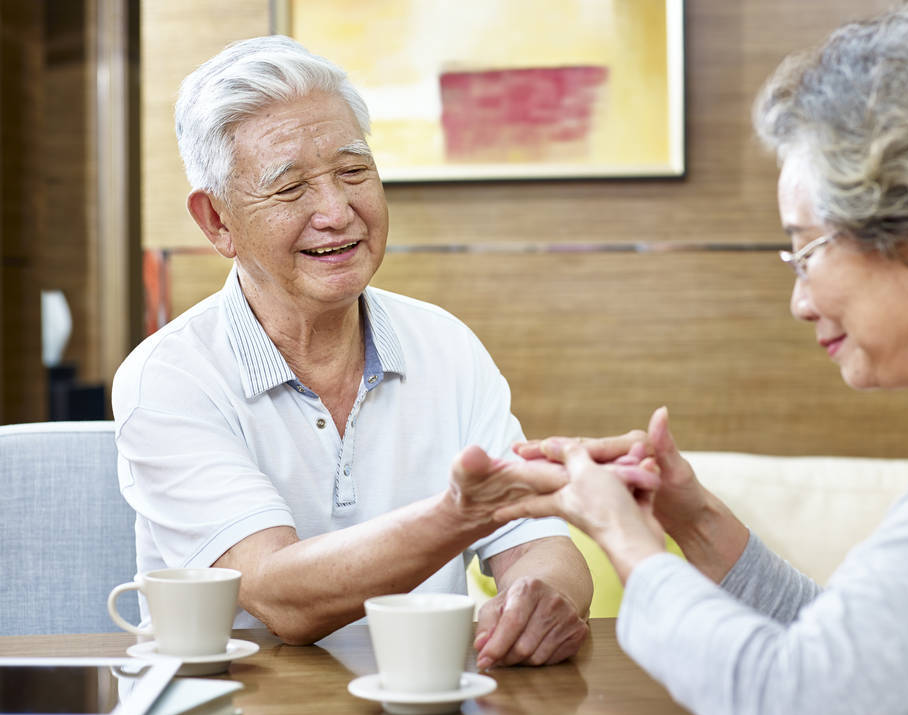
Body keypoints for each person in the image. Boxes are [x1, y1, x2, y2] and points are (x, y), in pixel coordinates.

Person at [501, 5, 908, 715]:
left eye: (807, 250)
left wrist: (626, 539)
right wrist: (693, 520)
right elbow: (850, 667)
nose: (800, 300)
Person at [112, 35, 592, 669]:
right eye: (290, 189)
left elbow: (538, 538)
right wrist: (454, 517)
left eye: (352, 171)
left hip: (424, 709)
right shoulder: (168, 376)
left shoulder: (445, 345)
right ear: (217, 222)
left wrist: (545, 594)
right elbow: (280, 599)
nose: (336, 212)